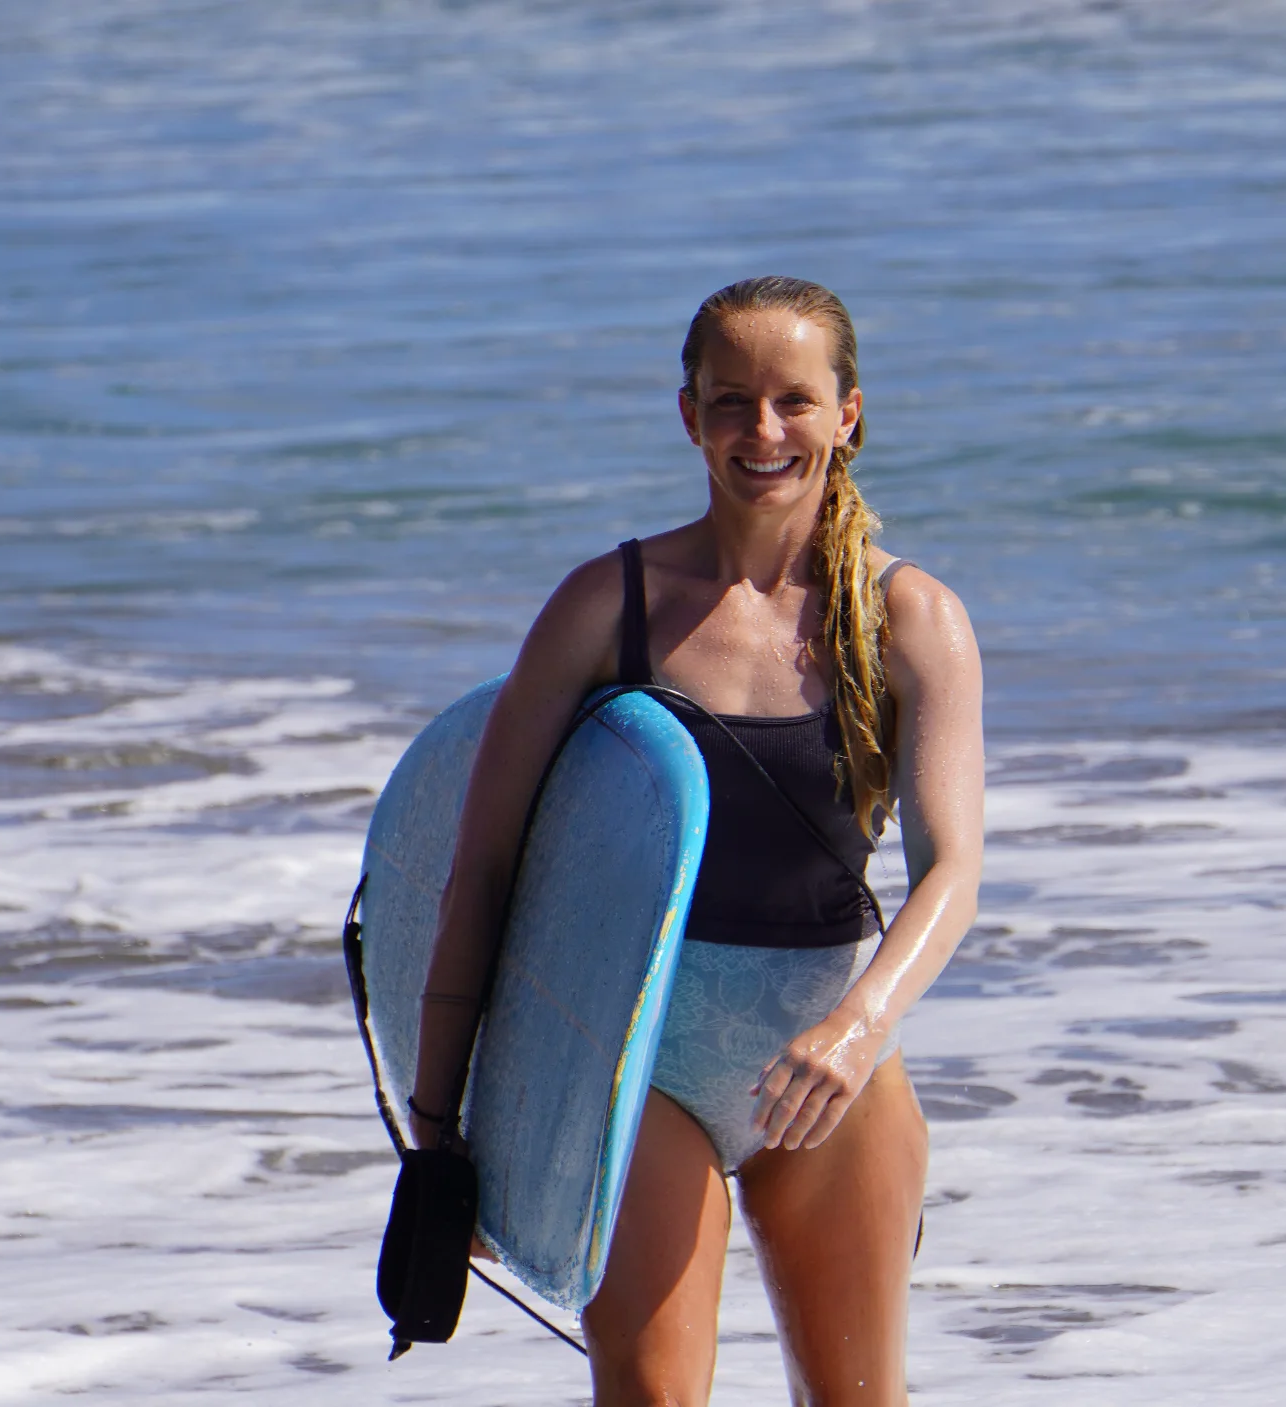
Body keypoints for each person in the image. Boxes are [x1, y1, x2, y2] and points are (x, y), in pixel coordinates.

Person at [408, 276, 985, 1407]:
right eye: (730, 402)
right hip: (636, 1055)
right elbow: (478, 869)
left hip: (828, 1059)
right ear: (689, 416)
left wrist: (858, 1027)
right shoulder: (607, 606)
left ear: (848, 413)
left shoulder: (909, 616)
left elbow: (952, 872)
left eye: (794, 402)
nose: (761, 432)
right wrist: (439, 1134)